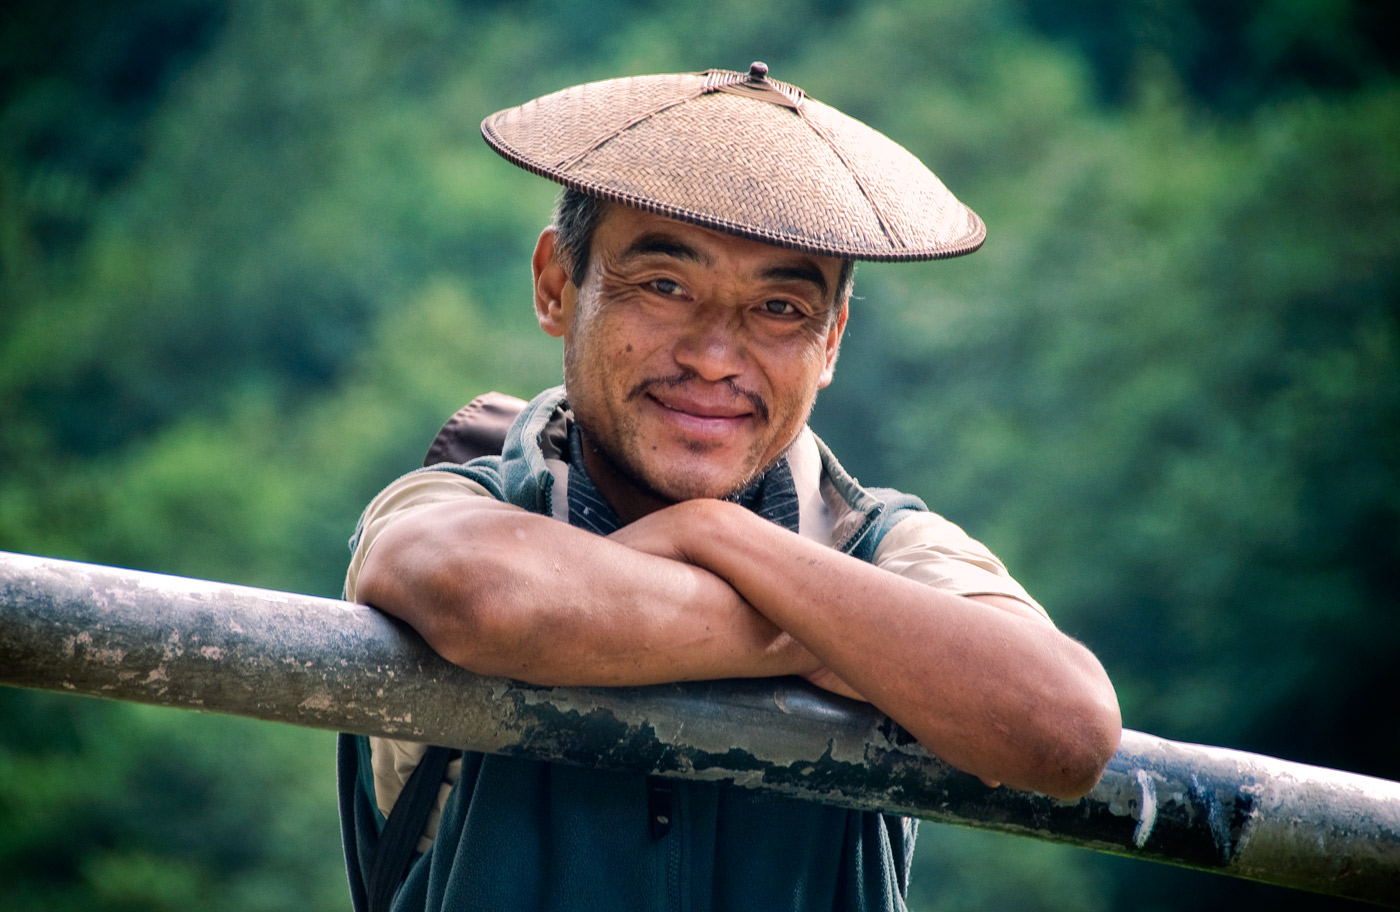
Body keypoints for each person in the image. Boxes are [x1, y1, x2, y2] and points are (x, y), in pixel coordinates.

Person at [338, 63, 1121, 912]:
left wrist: (716, 533)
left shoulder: (881, 540)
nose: (714, 357)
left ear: (832, 341)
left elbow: (1065, 728)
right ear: (557, 284)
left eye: (781, 308)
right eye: (665, 287)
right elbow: (485, 600)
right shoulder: (464, 503)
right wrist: (847, 638)